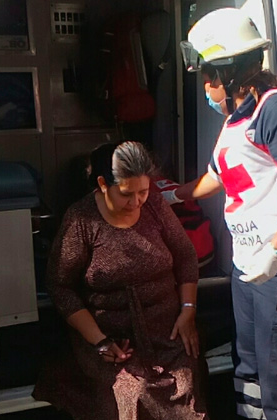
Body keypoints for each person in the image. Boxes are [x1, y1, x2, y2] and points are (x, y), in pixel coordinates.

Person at [167, 8, 277, 420]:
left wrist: (276, 249)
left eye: (208, 77)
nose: (206, 87)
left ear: (228, 73)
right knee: (249, 370)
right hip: (252, 263)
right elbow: (220, 176)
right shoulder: (237, 121)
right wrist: (173, 195)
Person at [33, 141, 208, 420]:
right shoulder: (81, 220)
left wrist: (188, 310)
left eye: (143, 191)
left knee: (184, 384)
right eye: (127, 194)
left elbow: (186, 257)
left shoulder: (155, 206)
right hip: (109, 338)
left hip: (165, 331)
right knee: (132, 391)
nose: (136, 202)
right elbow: (60, 286)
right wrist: (100, 342)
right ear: (103, 184)